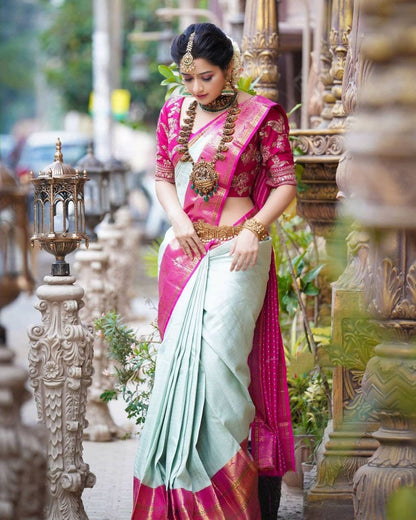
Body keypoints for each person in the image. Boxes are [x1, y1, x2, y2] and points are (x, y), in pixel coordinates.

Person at [132, 22, 296, 519]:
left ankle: (228, 499)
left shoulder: (262, 117)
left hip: (240, 251)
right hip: (183, 250)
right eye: (189, 80)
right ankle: (182, 499)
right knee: (178, 372)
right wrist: (178, 219)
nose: (196, 89)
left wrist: (256, 229)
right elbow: (162, 178)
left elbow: (285, 185)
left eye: (206, 77)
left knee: (220, 366)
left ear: (230, 69)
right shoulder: (174, 113)